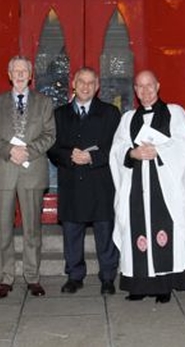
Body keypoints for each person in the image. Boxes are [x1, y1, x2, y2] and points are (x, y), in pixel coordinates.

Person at [109, 70, 185, 303]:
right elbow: (116, 150)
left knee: (164, 232)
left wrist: (159, 150)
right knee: (135, 231)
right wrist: (132, 152)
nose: (145, 91)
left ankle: (164, 286)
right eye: (140, 86)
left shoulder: (174, 113)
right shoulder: (128, 119)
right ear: (135, 90)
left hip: (164, 187)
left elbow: (184, 143)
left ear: (158, 86)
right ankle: (138, 286)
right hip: (136, 188)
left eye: (149, 86)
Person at [0, 55, 56, 299]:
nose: (20, 75)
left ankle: (32, 277)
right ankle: (6, 277)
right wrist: (8, 150)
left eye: (24, 71)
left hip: (32, 171)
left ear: (31, 74)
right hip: (5, 170)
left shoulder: (44, 102)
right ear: (9, 74)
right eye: (16, 71)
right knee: (4, 228)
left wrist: (28, 151)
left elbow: (50, 135)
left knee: (32, 228)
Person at [48, 67, 121, 295]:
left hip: (100, 183)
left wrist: (92, 157)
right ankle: (74, 275)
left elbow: (117, 147)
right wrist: (69, 156)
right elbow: (51, 147)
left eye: (91, 82)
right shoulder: (59, 114)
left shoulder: (110, 113)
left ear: (97, 86)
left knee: (105, 232)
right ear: (73, 84)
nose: (86, 86)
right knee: (72, 232)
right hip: (71, 182)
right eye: (82, 82)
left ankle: (108, 277)